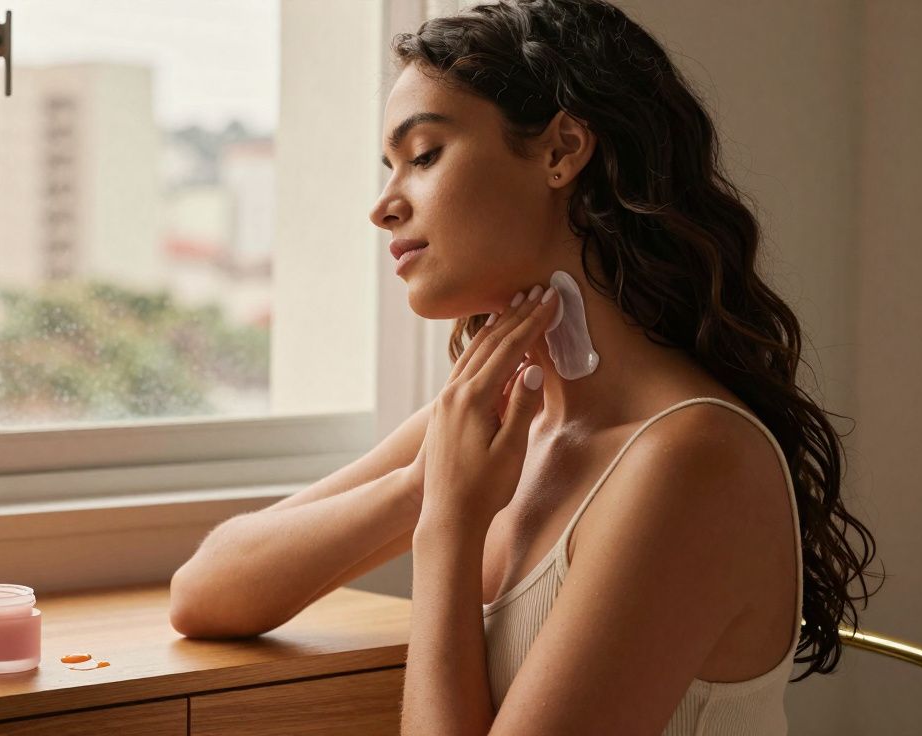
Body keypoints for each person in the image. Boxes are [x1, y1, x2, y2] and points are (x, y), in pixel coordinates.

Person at [169, 1, 880, 733]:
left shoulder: (693, 459)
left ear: (561, 151)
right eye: (389, 168)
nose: (383, 206)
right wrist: (424, 487)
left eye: (423, 156)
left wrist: (448, 526)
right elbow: (205, 591)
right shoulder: (499, 420)